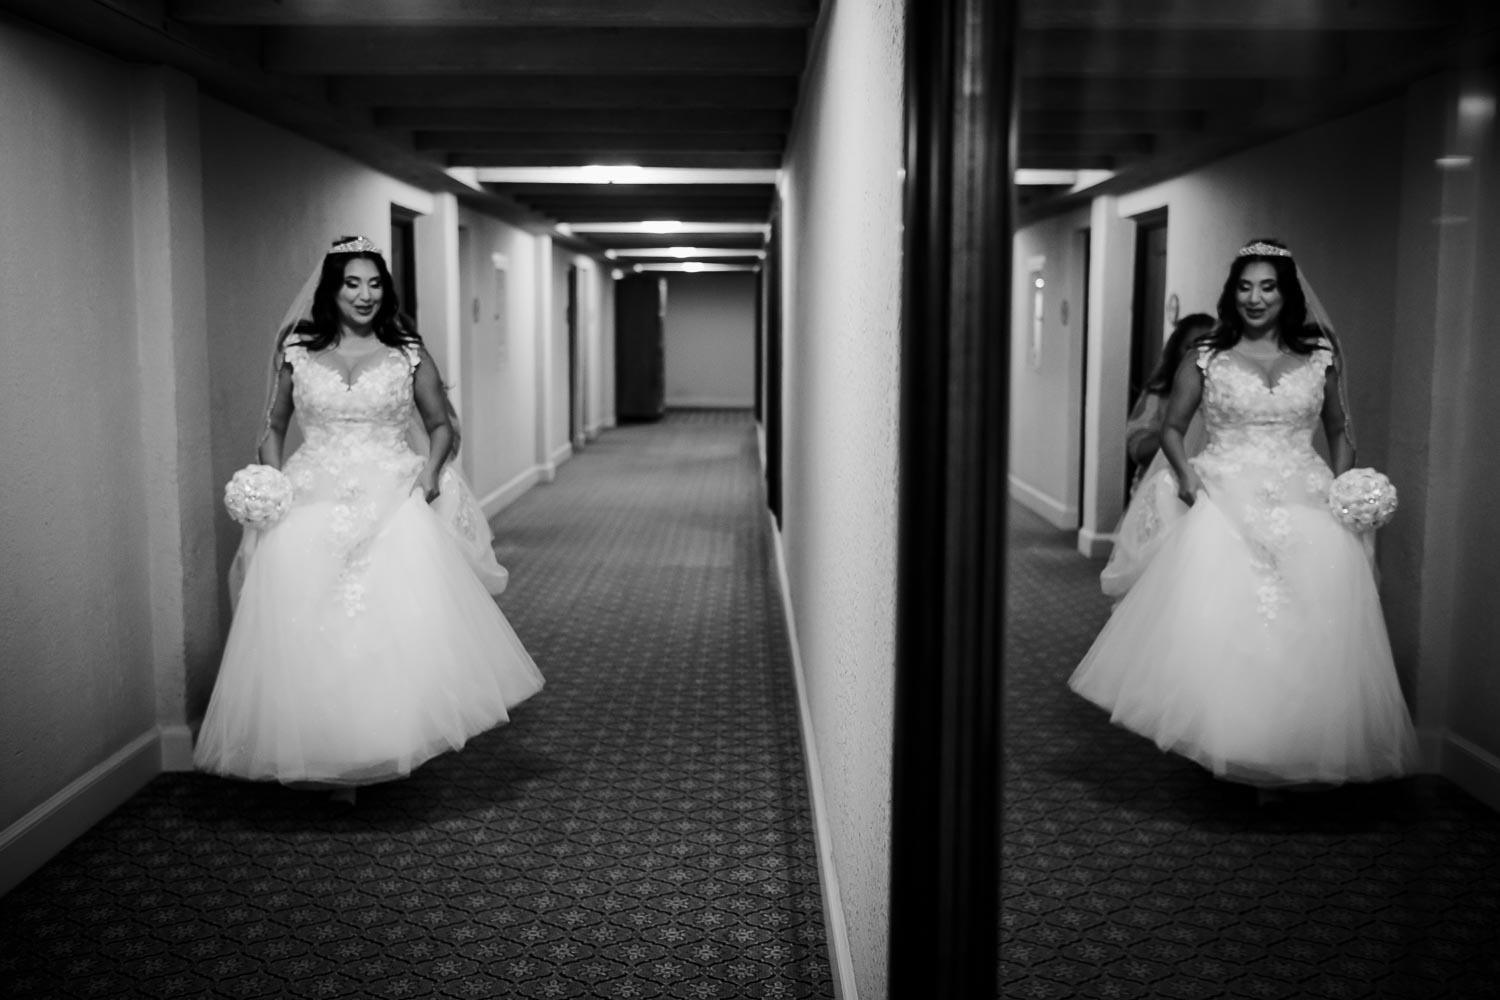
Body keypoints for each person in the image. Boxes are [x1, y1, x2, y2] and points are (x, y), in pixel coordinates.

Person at [194, 236, 544, 796]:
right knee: (311, 626)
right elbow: (274, 426)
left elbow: (441, 425)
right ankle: (327, 748)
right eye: (352, 283)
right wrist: (272, 478)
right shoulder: (296, 350)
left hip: (391, 499)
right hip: (311, 500)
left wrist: (429, 474)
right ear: (331, 289)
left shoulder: (407, 350)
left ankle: (380, 742)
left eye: (375, 284)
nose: (365, 295)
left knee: (387, 625)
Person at [1069, 238, 1417, 790]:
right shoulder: (1205, 355)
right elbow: (1173, 428)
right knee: (1228, 628)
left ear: (1287, 294)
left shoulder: (1319, 355)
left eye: (1268, 287)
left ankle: (1291, 748)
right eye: (1245, 286)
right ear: (1233, 293)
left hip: (1306, 503)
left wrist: (1342, 484)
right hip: (1224, 501)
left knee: (1310, 629)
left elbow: (1338, 430)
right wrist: (1186, 477)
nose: (1255, 298)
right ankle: (1229, 745)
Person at [1100, 312, 1215, 598]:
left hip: (1211, 492)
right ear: (1177, 349)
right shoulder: (1159, 393)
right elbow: (1136, 446)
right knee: (1153, 579)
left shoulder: (1224, 392)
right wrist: (1176, 432)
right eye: (1192, 344)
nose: (1200, 350)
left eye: (1206, 342)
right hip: (1162, 493)